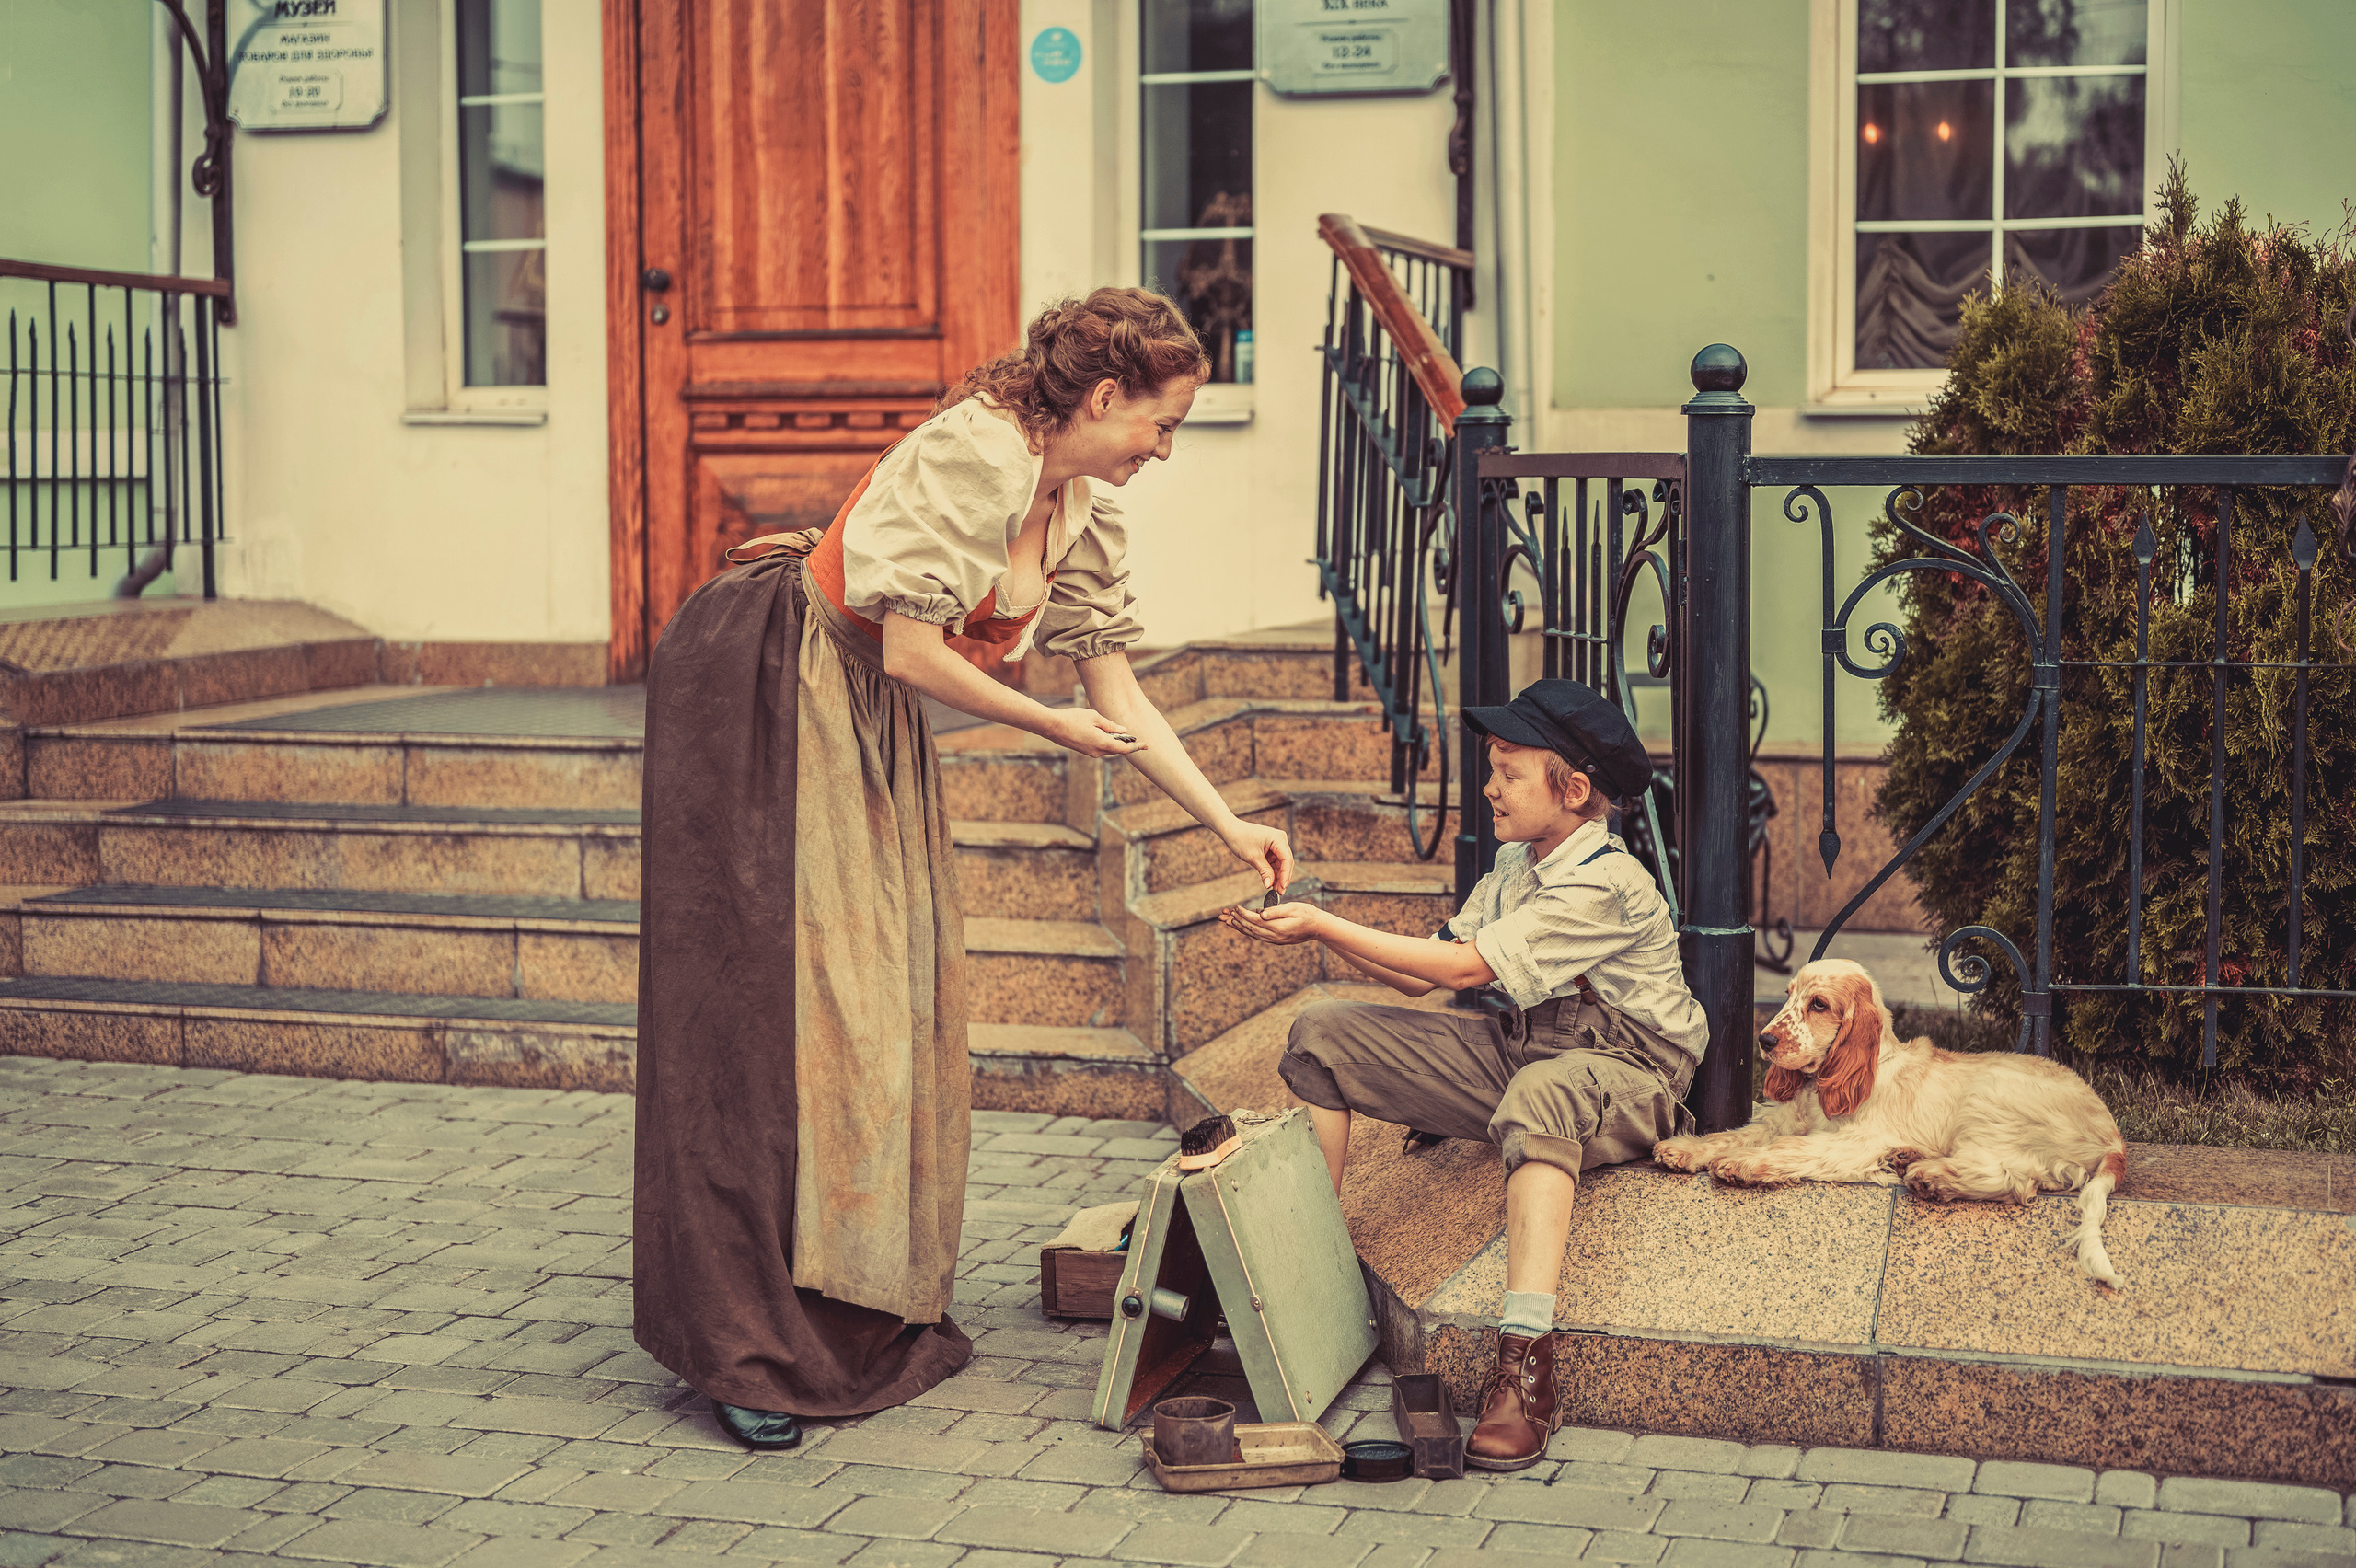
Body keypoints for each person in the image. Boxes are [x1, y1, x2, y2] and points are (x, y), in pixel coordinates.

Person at [635, 289, 1296, 1451]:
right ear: (1103, 399)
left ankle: (846, 1307)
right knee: (778, 1013)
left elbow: (1117, 696)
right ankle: (742, 1342)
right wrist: (1051, 733)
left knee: (885, 1012)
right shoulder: (977, 454)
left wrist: (1224, 826)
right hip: (768, 692)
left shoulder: (1079, 505)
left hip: (867, 715)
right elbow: (910, 646)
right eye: (1160, 423)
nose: (1163, 449)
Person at [1219, 679, 1706, 1470]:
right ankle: (1302, 1281)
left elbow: (1465, 962)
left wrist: (1318, 920)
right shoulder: (1517, 863)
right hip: (1526, 1050)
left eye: (1510, 772)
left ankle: (1525, 1370)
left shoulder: (1606, 881)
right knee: (1322, 1033)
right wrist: (1311, 930)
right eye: (1492, 768)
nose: (1490, 787)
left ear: (1574, 790)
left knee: (1540, 1093)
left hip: (1629, 1070)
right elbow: (1425, 979)